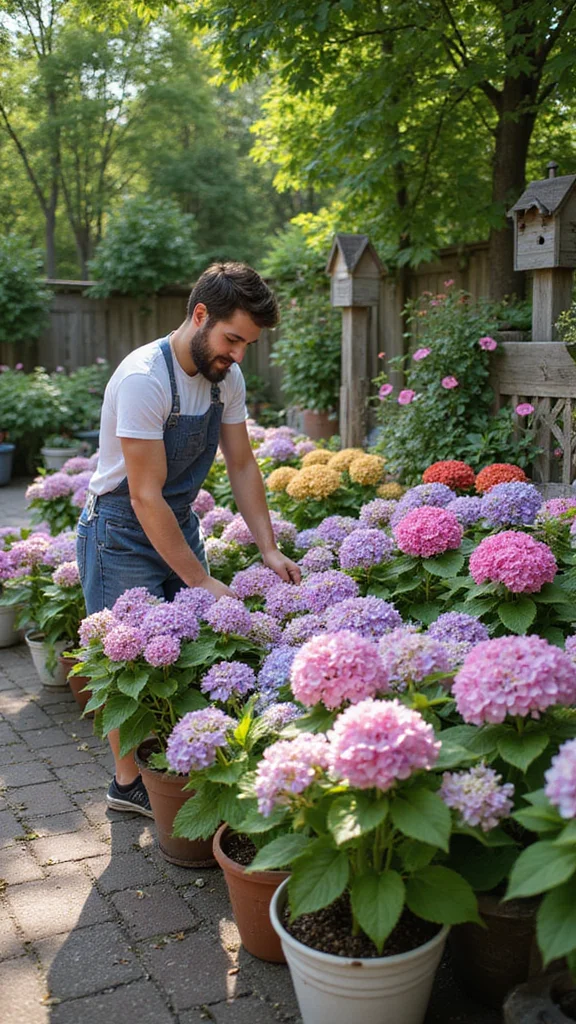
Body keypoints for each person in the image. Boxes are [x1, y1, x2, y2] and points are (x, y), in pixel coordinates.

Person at [77, 262, 301, 816]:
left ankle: (179, 766)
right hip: (120, 531)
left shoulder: (226, 379)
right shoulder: (144, 379)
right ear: (200, 315)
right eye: (232, 340)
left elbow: (242, 464)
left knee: (189, 650)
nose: (238, 355)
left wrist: (268, 547)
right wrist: (200, 580)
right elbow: (143, 496)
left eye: (247, 344)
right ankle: (127, 783)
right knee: (126, 662)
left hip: (175, 521)